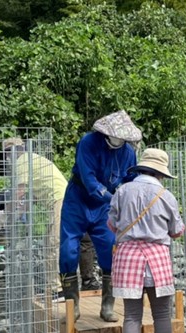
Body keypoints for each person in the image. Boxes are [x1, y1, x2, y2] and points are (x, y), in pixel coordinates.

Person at [109, 149, 185, 333]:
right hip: (157, 257)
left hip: (127, 256)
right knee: (161, 315)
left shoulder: (122, 191)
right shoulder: (166, 196)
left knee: (132, 316)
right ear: (160, 173)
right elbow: (177, 230)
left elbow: (111, 223)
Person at [59, 110, 141, 321]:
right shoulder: (88, 142)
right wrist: (115, 199)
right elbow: (89, 179)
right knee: (68, 249)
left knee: (110, 248)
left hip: (104, 206)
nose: (119, 141)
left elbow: (131, 179)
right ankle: (72, 306)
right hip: (78, 199)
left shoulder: (129, 153)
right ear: (106, 133)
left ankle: (107, 305)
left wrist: (131, 200)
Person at [1, 137, 68, 301]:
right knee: (49, 245)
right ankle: (56, 288)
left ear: (8, 154)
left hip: (60, 200)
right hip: (60, 200)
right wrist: (14, 216)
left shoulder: (22, 162)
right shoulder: (31, 160)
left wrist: (6, 216)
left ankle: (59, 292)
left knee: (53, 244)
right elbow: (27, 201)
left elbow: (20, 193)